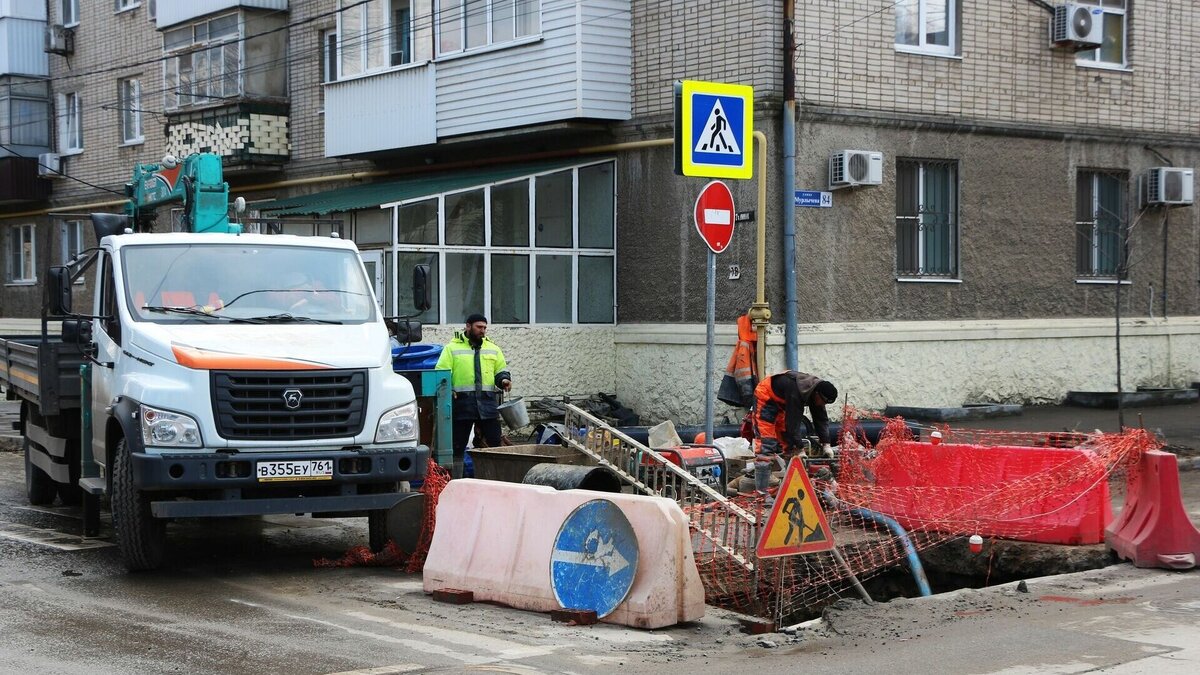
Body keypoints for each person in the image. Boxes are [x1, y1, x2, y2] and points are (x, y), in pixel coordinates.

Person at [434, 313, 512, 478]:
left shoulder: (493, 348)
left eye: (484, 328)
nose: (482, 331)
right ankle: (456, 482)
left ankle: (495, 481)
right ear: (468, 326)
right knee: (457, 447)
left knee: (495, 445)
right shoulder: (451, 348)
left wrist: (504, 380)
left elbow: (500, 371)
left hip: (487, 405)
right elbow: (441, 373)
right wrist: (448, 390)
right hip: (462, 405)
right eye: (479, 327)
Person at [751, 371, 838, 498]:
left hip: (782, 404)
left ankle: (790, 489)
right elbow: (793, 423)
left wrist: (826, 444)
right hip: (766, 398)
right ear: (817, 394)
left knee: (789, 446)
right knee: (766, 445)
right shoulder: (796, 391)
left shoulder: (815, 392)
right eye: (823, 401)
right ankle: (762, 495)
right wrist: (800, 448)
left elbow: (821, 419)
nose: (822, 405)